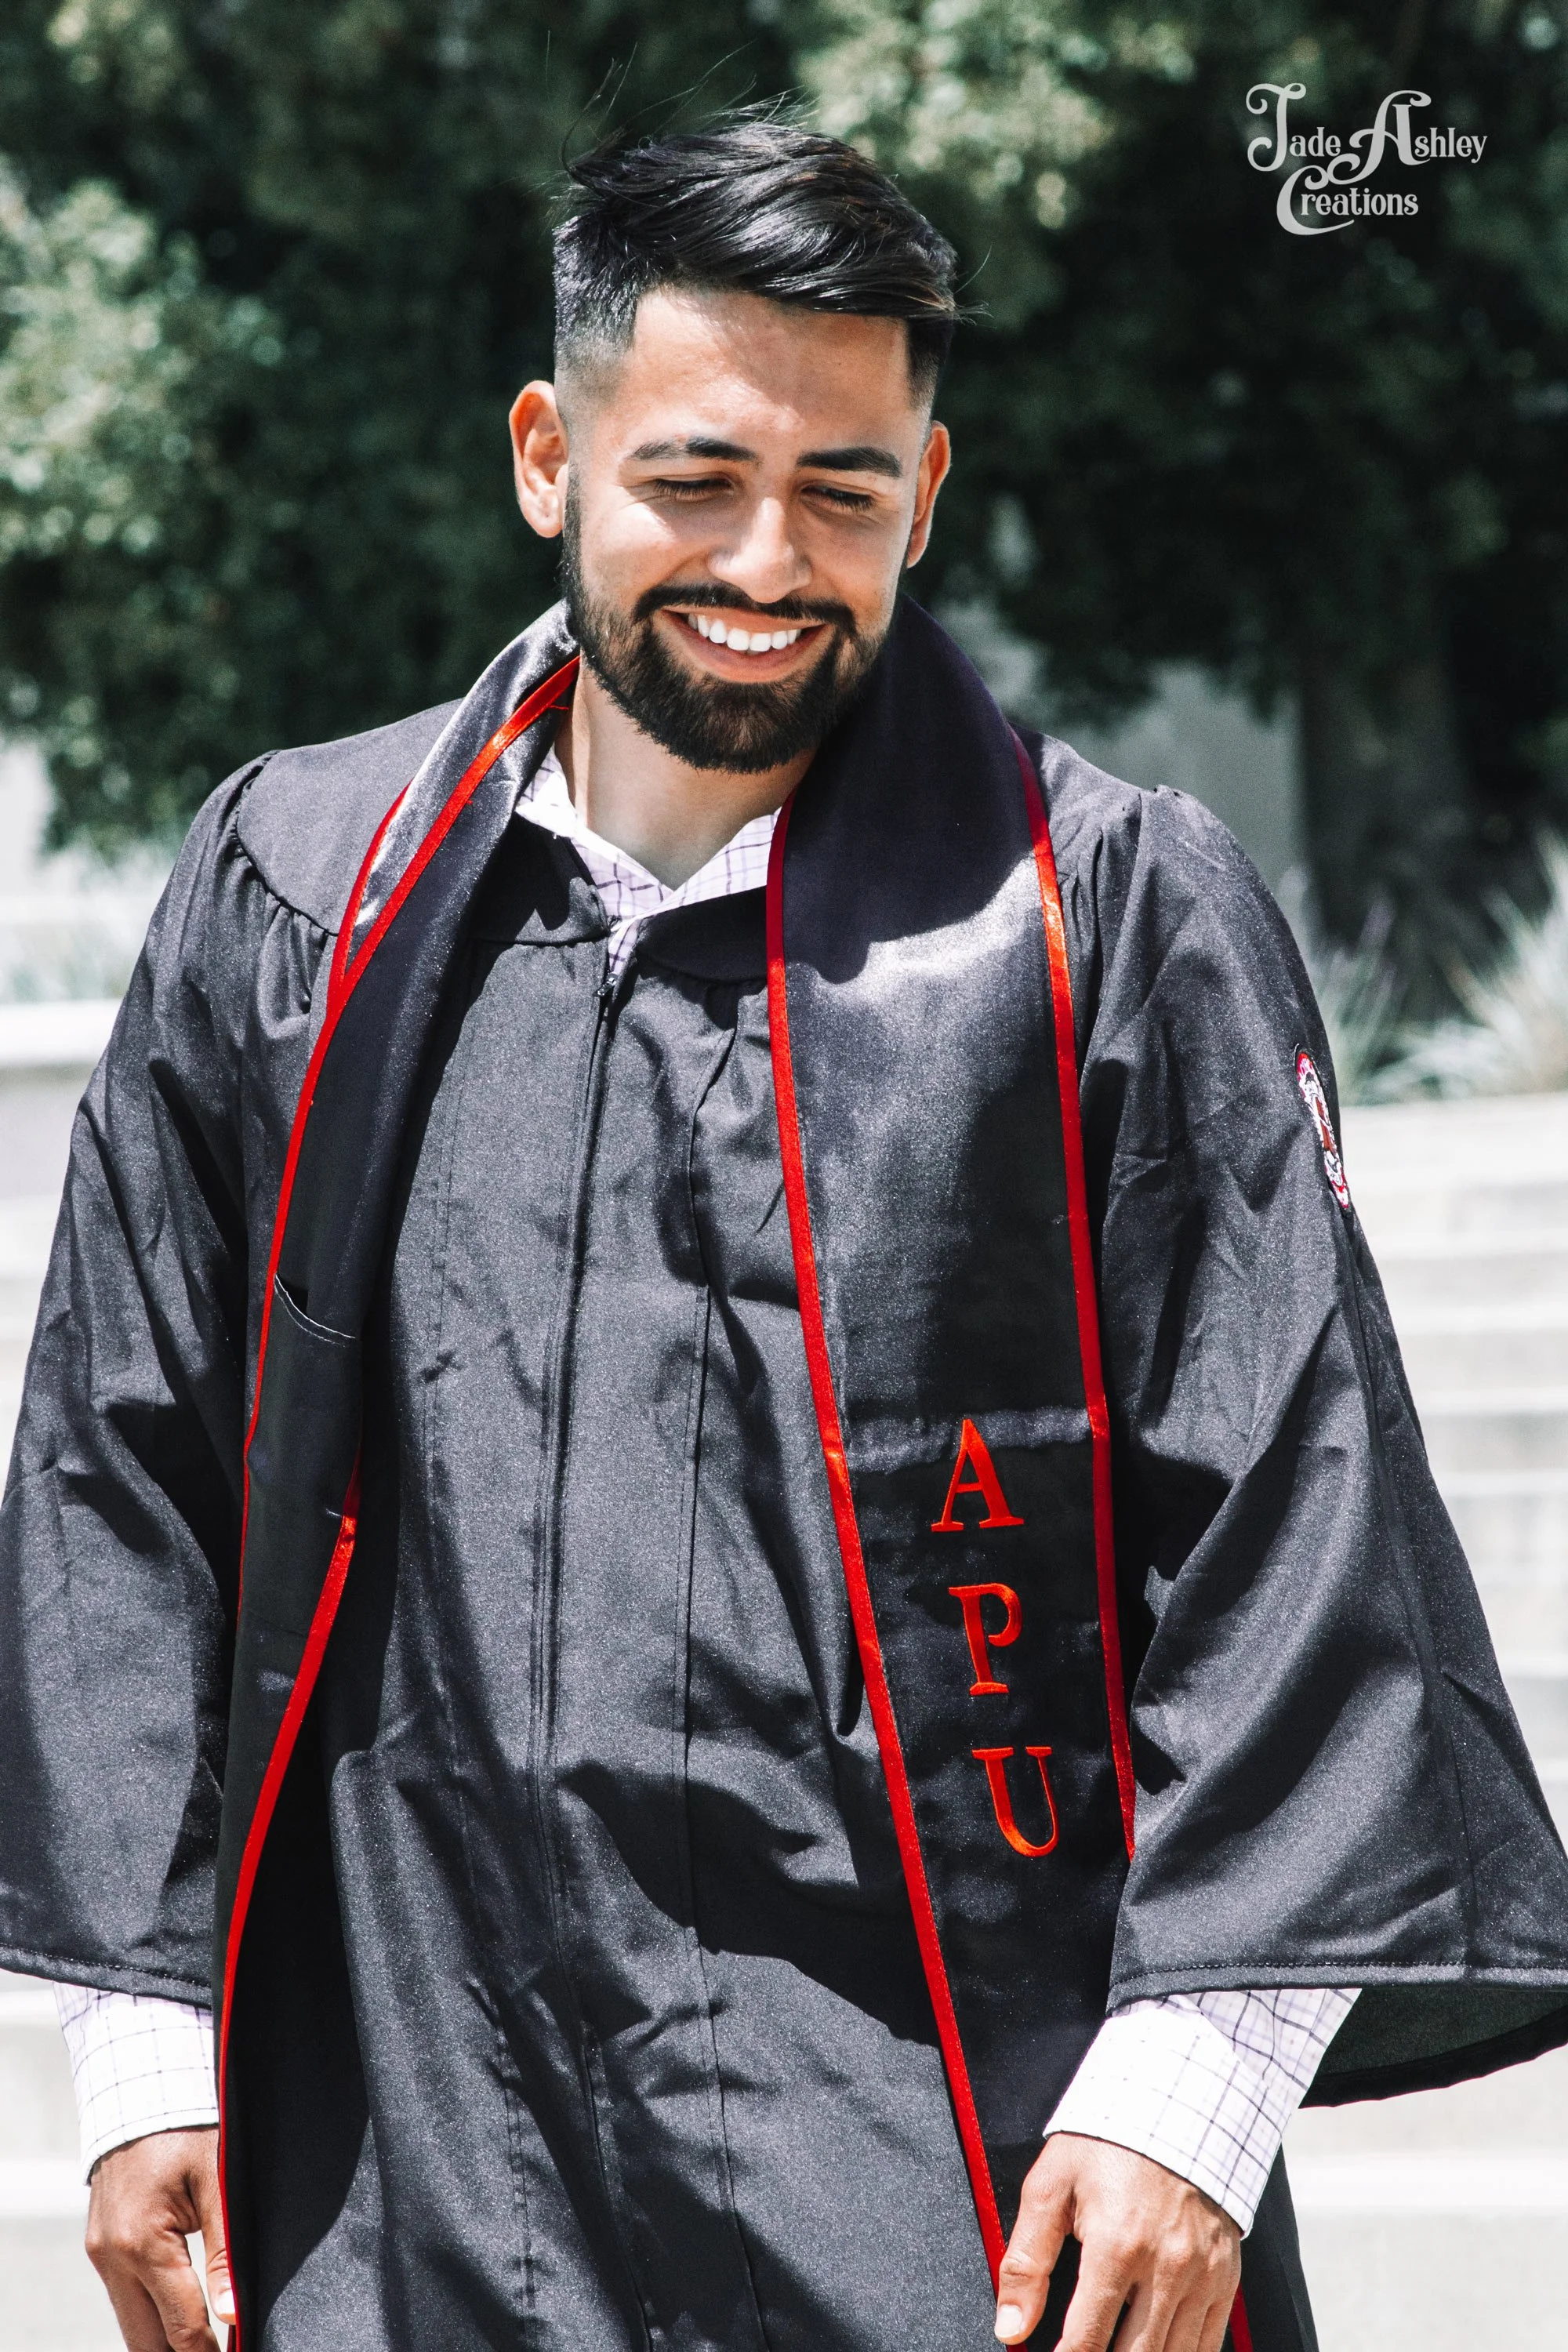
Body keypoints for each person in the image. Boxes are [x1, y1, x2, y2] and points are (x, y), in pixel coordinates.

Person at [3, 115, 1567, 2352]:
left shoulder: (1102, 923)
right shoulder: (299, 900)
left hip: (941, 2170)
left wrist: (1185, 2104)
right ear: (550, 453)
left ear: (927, 494)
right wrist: (145, 2038)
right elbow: (125, 1464)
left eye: (846, 490)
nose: (768, 559)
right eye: (695, 480)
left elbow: (1299, 1522)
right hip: (414, 2142)